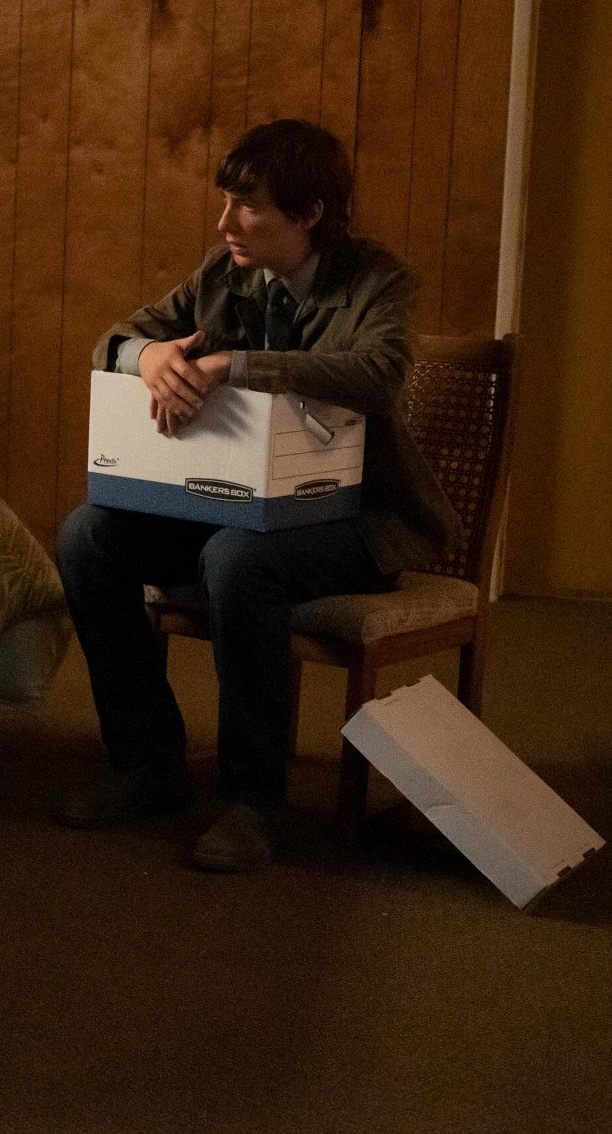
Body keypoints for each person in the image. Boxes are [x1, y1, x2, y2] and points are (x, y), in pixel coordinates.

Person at [53, 119, 461, 871]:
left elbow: (377, 374)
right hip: (231, 501)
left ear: (308, 214)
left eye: (248, 207)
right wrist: (146, 358)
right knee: (88, 536)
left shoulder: (378, 280)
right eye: (226, 203)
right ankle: (148, 763)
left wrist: (239, 365)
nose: (225, 223)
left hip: (354, 519)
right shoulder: (224, 272)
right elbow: (112, 339)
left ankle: (252, 799)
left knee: (240, 562)